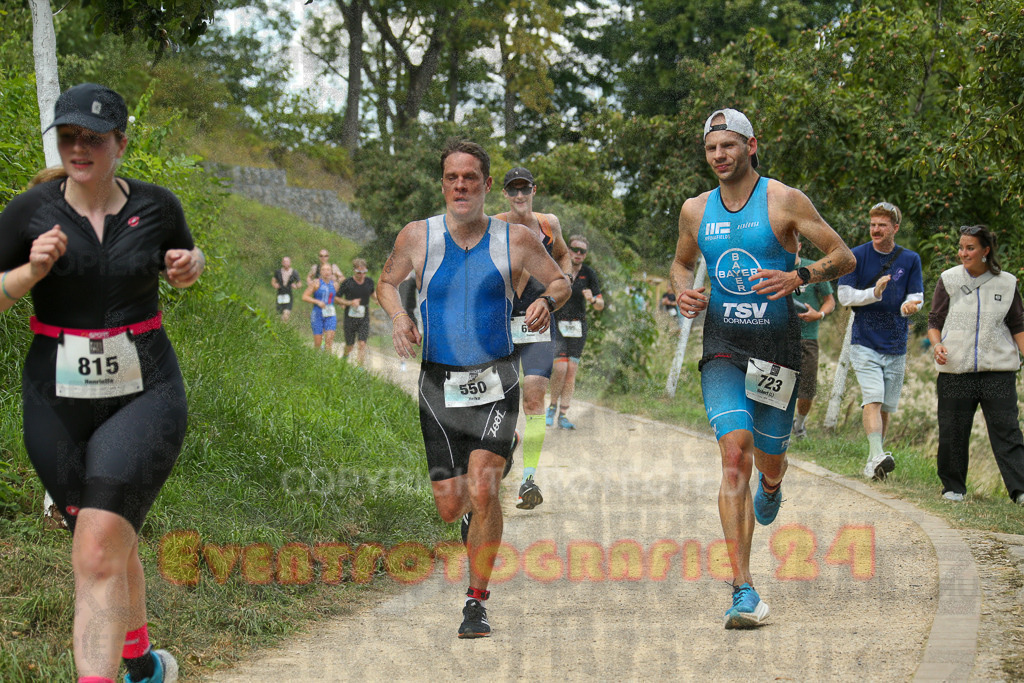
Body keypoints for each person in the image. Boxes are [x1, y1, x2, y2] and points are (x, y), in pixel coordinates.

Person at [0, 83, 204, 683]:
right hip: (54, 401)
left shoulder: (158, 206)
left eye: (93, 137)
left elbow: (185, 265)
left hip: (145, 392)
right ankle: (141, 664)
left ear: (121, 141)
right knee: (105, 540)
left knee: (95, 548)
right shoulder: (28, 213)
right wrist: (29, 272)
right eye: (68, 136)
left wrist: (189, 268)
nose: (79, 147)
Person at [376, 139, 569, 638]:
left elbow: (561, 281)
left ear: (486, 184)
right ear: (443, 184)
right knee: (450, 505)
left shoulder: (517, 240)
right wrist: (399, 315)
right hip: (438, 383)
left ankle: (476, 602)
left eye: (470, 178)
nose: (461, 186)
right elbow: (385, 283)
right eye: (451, 178)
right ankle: (475, 518)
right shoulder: (417, 237)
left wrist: (547, 299)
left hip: (496, 378)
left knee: (484, 486)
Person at [670, 108, 854, 629]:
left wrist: (800, 276)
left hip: (777, 349)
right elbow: (682, 262)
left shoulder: (783, 200)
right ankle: (743, 590)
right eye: (711, 149)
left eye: (729, 145)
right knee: (735, 452)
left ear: (752, 146)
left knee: (769, 459)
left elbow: (843, 256)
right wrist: (683, 289)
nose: (719, 156)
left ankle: (772, 486)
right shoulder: (694, 209)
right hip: (723, 347)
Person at [927, 225, 1024, 505]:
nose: (963, 253)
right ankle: (953, 488)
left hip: (999, 370)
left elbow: (1018, 324)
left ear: (986, 250)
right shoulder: (949, 279)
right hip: (956, 368)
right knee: (953, 430)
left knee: (1007, 431)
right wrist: (937, 345)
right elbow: (934, 321)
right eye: (961, 247)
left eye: (970, 248)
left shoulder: (1007, 283)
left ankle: (1019, 490)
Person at [494, 166, 572, 509]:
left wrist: (563, 281)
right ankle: (509, 439)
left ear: (534, 190)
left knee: (534, 396)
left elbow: (564, 255)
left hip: (538, 320)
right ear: (506, 195)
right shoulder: (492, 225)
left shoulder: (548, 224)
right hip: (501, 322)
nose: (520, 196)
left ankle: (528, 479)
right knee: (502, 399)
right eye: (513, 190)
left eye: (525, 189)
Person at [837, 202, 923, 480]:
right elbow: (844, 296)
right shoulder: (856, 255)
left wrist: (912, 306)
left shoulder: (910, 259)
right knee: (872, 398)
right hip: (864, 340)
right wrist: (873, 293)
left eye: (882, 225)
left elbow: (916, 295)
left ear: (895, 228)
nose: (875, 229)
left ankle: (875, 461)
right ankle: (876, 455)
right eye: (873, 224)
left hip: (896, 343)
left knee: (885, 406)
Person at [547, 234, 604, 429]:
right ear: (568, 250)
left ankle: (563, 414)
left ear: (585, 254)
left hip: (578, 327)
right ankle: (552, 406)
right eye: (575, 249)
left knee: (571, 371)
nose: (578, 254)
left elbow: (600, 304)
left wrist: (593, 300)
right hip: (558, 324)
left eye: (582, 251)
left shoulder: (589, 274)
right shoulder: (559, 269)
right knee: (560, 368)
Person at [791, 236, 836, 439]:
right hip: (777, 336)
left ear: (799, 246)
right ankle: (770, 427)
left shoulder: (812, 269)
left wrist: (819, 314)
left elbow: (829, 301)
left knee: (807, 388)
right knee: (771, 384)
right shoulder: (771, 267)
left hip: (807, 337)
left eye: (793, 244)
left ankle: (799, 425)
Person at [337, 258, 375, 365]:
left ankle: (360, 368)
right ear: (354, 270)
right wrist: (350, 303)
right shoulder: (347, 283)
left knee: (362, 343)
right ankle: (344, 357)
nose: (361, 275)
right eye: (359, 272)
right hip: (350, 318)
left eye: (364, 272)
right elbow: (336, 298)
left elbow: (373, 293)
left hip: (364, 317)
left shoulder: (369, 282)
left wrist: (379, 300)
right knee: (350, 345)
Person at [302, 262, 339, 352]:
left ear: (331, 272)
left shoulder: (335, 285)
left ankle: (327, 364)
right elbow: (304, 296)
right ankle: (317, 362)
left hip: (330, 314)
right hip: (317, 314)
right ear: (320, 272)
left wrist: (345, 304)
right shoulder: (316, 283)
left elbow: (336, 298)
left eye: (328, 269)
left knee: (329, 342)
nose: (326, 272)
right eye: (323, 269)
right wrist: (317, 301)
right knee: (318, 343)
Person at [271, 256, 301, 321]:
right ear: (282, 263)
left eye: (287, 262)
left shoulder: (294, 272)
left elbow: (299, 283)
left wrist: (296, 286)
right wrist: (275, 285)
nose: (286, 263)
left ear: (290, 263)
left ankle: (284, 325)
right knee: (279, 315)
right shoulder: (278, 272)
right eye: (284, 262)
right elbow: (273, 281)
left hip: (288, 295)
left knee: (286, 314)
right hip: (280, 294)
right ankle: (280, 328)